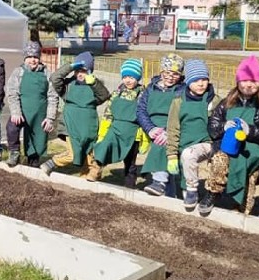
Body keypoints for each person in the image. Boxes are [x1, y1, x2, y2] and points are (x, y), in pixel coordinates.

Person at [201, 55, 259, 217]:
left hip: (254, 152)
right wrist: (223, 126)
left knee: (248, 187)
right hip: (230, 146)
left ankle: (242, 210)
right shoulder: (226, 102)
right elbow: (212, 127)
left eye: (254, 81)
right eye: (244, 80)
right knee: (219, 160)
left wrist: (251, 130)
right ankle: (212, 193)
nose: (249, 85)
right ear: (238, 81)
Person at [41, 51, 110, 175]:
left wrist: (94, 83)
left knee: (87, 156)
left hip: (88, 127)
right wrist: (70, 66)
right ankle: (52, 163)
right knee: (73, 154)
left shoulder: (94, 85)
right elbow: (54, 78)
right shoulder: (68, 85)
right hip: (70, 125)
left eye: (83, 71)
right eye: (78, 70)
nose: (80, 74)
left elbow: (104, 95)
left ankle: (86, 180)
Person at [165, 60, 221, 212]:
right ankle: (186, 196)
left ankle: (192, 190)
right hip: (185, 143)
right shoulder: (178, 101)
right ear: (188, 82)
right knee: (185, 159)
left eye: (204, 79)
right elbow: (173, 127)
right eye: (196, 80)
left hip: (207, 143)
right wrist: (171, 154)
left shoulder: (213, 100)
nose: (201, 84)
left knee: (188, 155)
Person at [89, 58, 145, 186]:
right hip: (115, 130)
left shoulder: (143, 94)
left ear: (138, 78)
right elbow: (108, 114)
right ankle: (95, 171)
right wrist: (102, 134)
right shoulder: (116, 93)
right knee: (103, 148)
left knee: (130, 163)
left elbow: (144, 116)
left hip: (133, 134)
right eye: (125, 77)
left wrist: (144, 138)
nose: (128, 80)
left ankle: (129, 186)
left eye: (132, 77)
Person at [137, 53, 186, 197]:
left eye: (175, 74)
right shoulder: (150, 89)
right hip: (153, 129)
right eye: (167, 72)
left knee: (162, 148)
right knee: (166, 166)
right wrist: (150, 128)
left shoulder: (182, 91)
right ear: (161, 71)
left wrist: (168, 132)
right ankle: (170, 198)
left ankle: (158, 182)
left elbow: (183, 115)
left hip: (172, 131)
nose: (170, 77)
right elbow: (141, 110)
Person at [5, 41, 58, 168]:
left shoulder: (46, 73)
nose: (33, 60)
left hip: (39, 114)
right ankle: (14, 152)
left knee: (37, 140)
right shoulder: (18, 72)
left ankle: (32, 163)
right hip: (22, 112)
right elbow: (12, 93)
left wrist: (50, 118)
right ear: (25, 58)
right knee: (11, 128)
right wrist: (16, 112)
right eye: (29, 57)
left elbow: (53, 97)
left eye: (35, 57)